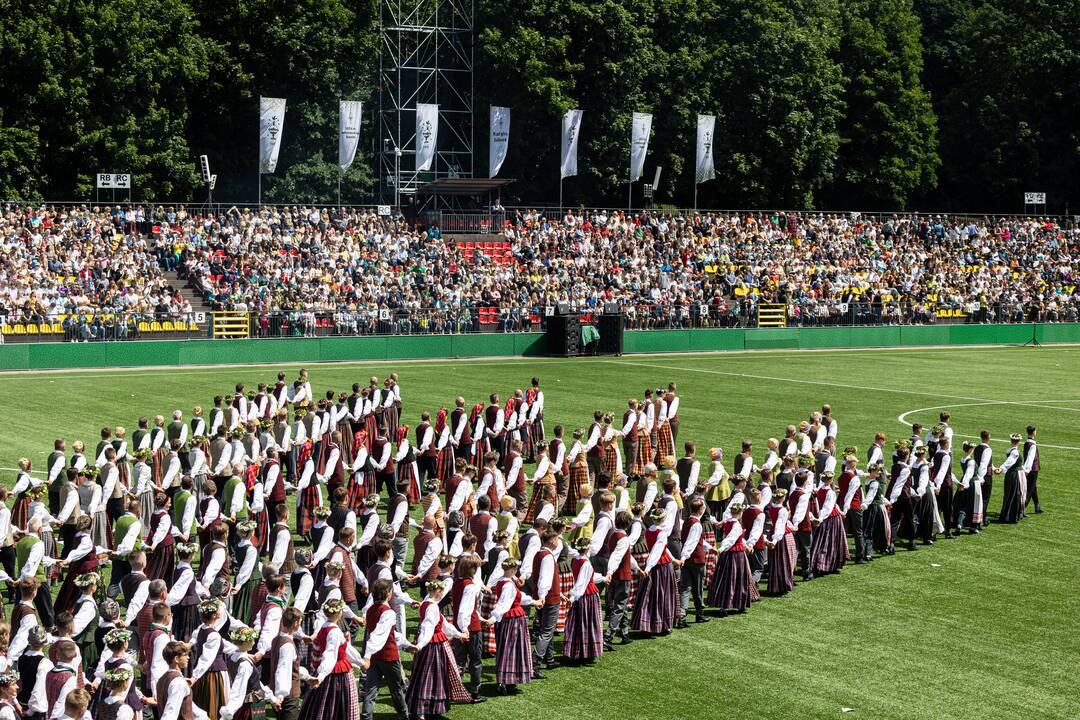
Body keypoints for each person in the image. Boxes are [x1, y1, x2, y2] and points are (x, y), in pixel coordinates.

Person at [404, 580, 470, 720]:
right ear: (438, 592)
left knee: (426, 676)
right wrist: (420, 645)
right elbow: (428, 628)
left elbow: (445, 625)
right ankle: (423, 709)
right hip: (433, 647)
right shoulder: (432, 607)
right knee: (430, 676)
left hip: (432, 645)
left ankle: (425, 708)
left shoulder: (427, 603)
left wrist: (460, 635)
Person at [297, 599, 363, 720]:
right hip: (336, 673)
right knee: (337, 706)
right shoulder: (335, 632)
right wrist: (321, 676)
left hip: (326, 670)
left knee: (320, 703)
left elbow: (346, 649)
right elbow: (330, 656)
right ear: (339, 613)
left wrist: (360, 662)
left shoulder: (324, 626)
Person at [359, 579, 411, 720]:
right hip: (388, 657)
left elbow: (389, 634)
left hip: (375, 657)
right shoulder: (388, 612)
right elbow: (380, 635)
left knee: (371, 690)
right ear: (388, 594)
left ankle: (366, 716)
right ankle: (404, 715)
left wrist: (407, 645)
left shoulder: (370, 610)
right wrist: (368, 655)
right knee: (396, 689)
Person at [630, 508, 680, 636]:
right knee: (663, 595)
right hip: (661, 567)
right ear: (663, 518)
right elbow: (656, 551)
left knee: (650, 595)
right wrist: (648, 568)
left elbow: (660, 548)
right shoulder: (661, 533)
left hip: (654, 564)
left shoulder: (649, 530)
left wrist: (673, 559)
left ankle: (647, 623)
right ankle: (662, 624)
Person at [488, 557, 534, 693]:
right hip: (512, 621)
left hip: (508, 620)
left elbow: (519, 597)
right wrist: (493, 618)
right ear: (514, 570)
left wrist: (533, 601)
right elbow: (504, 604)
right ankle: (503, 681)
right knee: (510, 649)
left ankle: (509, 679)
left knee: (507, 649)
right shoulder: (508, 585)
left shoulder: (503, 581)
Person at [563, 536, 604, 663]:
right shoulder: (586, 563)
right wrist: (573, 596)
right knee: (587, 624)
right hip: (586, 597)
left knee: (579, 624)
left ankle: (579, 651)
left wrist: (603, 578)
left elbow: (587, 578)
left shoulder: (576, 560)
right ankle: (585, 652)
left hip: (581, 595)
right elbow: (582, 583)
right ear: (588, 548)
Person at [707, 503, 753, 613]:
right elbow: (731, 539)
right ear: (740, 513)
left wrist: (747, 546)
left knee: (727, 578)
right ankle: (734, 604)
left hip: (729, 554)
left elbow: (738, 538)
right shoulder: (736, 525)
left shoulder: (729, 523)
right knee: (736, 579)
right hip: (736, 555)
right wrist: (722, 548)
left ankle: (727, 604)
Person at [678, 497, 712, 625]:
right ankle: (699, 613)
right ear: (701, 510)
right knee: (698, 589)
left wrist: (710, 548)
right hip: (696, 560)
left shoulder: (687, 521)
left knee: (686, 588)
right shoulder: (697, 524)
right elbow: (691, 543)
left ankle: (681, 615)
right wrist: (684, 557)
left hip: (687, 560)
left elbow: (697, 541)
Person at [157, 641, 209, 720]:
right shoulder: (178, 683)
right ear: (176, 659)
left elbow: (188, 706)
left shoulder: (162, 679)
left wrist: (203, 717)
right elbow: (170, 713)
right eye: (185, 655)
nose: (188, 657)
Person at [809, 472, 847, 575]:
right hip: (831, 519)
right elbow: (828, 508)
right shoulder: (830, 492)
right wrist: (821, 518)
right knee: (832, 542)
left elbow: (831, 505)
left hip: (826, 517)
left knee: (822, 541)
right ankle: (826, 565)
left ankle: (821, 564)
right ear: (830, 480)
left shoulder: (820, 490)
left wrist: (840, 511)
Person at [999, 433, 1025, 523]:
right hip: (1014, 475)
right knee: (1015, 494)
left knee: (1009, 494)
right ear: (1019, 441)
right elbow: (1009, 462)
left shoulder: (1009, 450)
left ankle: (1006, 515)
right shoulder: (1015, 452)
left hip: (1010, 474)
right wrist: (1001, 468)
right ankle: (1011, 516)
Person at [1022, 425, 1042, 514]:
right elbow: (1031, 458)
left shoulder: (1027, 442)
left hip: (1028, 468)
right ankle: (1022, 509)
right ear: (1034, 432)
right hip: (1032, 469)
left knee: (1033, 486)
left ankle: (1037, 505)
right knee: (1030, 489)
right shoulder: (1032, 444)